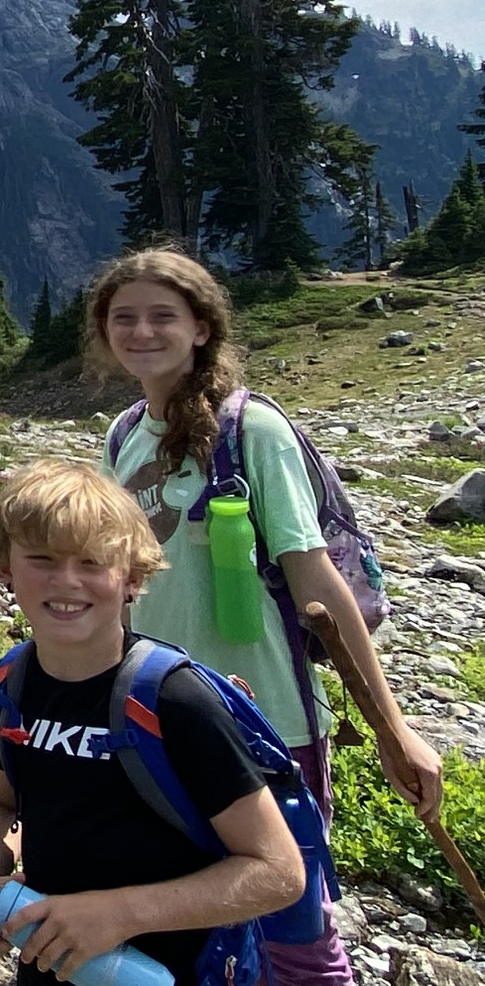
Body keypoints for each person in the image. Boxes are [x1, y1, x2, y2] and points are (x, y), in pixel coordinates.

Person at [87, 247, 443, 986]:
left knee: (294, 934)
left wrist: (393, 729)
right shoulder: (124, 435)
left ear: (202, 328)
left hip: (266, 722)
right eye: (125, 318)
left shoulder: (253, 430)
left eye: (162, 316)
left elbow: (318, 584)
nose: (142, 332)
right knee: (184, 927)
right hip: (155, 715)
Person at [0, 460, 306, 986]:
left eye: (92, 562)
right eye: (42, 559)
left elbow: (279, 872)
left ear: (132, 578)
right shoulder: (6, 685)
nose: (67, 581)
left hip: (173, 970)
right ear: (5, 569)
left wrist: (119, 914)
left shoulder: (176, 701)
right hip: (51, 963)